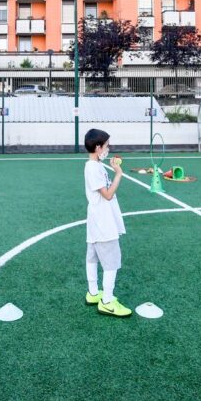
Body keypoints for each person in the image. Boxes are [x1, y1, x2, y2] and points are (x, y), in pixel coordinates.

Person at [83, 128, 131, 317]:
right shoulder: (93, 168)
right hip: (103, 223)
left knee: (92, 257)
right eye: (107, 145)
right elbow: (108, 195)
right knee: (111, 262)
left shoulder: (95, 166)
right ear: (98, 147)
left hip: (97, 221)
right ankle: (107, 301)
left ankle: (94, 293)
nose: (108, 148)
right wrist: (118, 173)